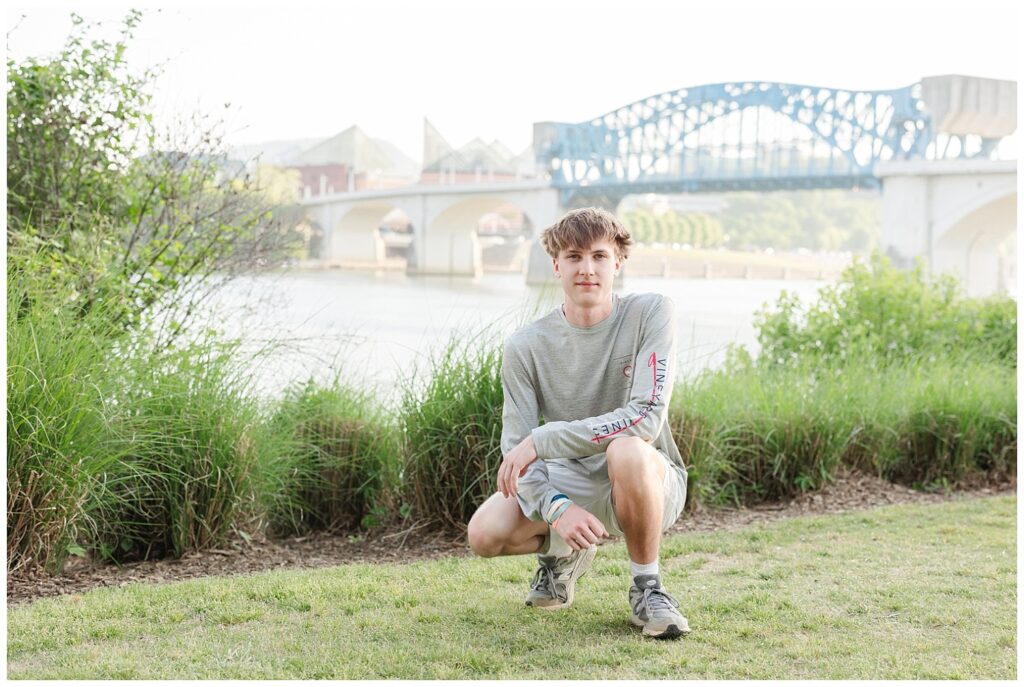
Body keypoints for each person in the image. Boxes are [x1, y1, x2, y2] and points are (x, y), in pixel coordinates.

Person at [467, 207, 690, 639]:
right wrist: (557, 507)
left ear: (618, 263)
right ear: (556, 265)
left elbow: (645, 418)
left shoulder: (652, 313)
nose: (587, 269)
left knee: (626, 448)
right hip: (571, 480)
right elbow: (516, 453)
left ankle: (648, 589)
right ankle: (563, 558)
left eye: (599, 256)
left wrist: (545, 437)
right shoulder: (524, 347)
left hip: (646, 477)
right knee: (484, 534)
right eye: (573, 257)